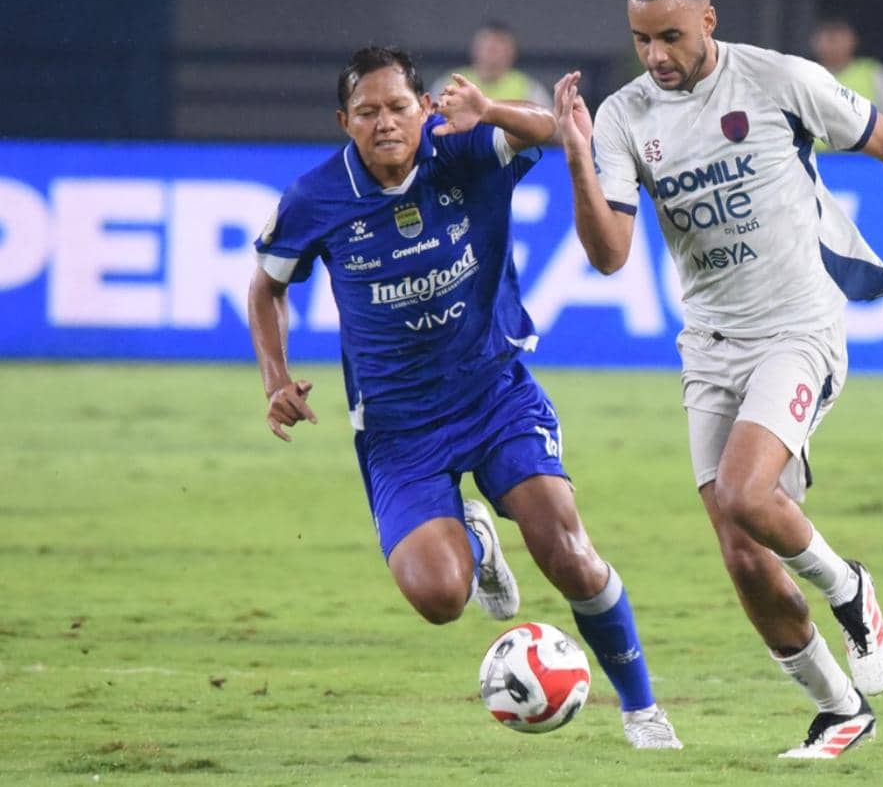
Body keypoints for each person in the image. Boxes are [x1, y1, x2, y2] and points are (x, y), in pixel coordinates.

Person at [553, 0, 883, 760]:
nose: (656, 55)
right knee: (742, 555)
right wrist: (579, 156)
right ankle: (840, 710)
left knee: (747, 493)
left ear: (708, 20)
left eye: (671, 36)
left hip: (799, 330)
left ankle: (849, 588)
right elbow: (610, 255)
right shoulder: (622, 116)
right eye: (642, 39)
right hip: (709, 346)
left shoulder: (777, 80)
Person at [248, 46, 682, 750]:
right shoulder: (314, 199)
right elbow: (267, 285)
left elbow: (554, 128)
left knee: (567, 551)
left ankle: (643, 711)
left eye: (398, 107)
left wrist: (489, 110)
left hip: (493, 393)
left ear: (424, 108)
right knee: (440, 598)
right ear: (344, 121)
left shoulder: (463, 147)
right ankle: (474, 539)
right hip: (400, 431)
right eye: (367, 112)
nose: (385, 123)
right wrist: (275, 378)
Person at [432, 21, 552, 108]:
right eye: (490, 48)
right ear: (475, 49)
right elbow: (431, 121)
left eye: (500, 49)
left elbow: (548, 126)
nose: (494, 55)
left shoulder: (528, 88)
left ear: (513, 53)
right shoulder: (449, 83)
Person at [810, 17, 883, 124]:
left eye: (841, 39)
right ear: (814, 42)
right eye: (830, 39)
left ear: (853, 41)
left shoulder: (873, 71)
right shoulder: (804, 74)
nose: (835, 46)